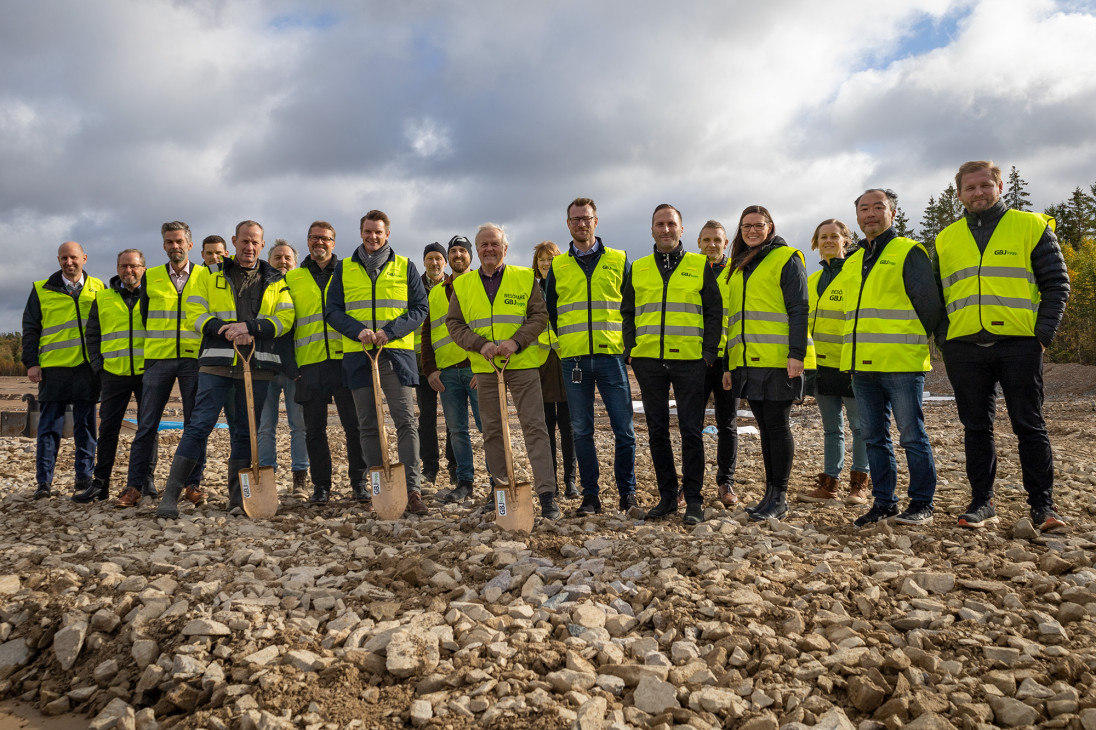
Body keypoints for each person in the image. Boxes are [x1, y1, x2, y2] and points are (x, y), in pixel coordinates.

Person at [934, 161, 1071, 531]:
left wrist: (1042, 335)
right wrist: (946, 338)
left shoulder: (1030, 227)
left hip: (1019, 345)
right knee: (976, 427)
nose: (978, 193)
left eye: (985, 185)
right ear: (959, 193)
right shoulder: (945, 238)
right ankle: (982, 502)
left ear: (999, 186)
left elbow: (1057, 284)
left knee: (1029, 424)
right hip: (965, 349)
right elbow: (937, 295)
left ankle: (1043, 506)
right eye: (970, 188)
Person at [155, 220, 295, 518]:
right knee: (198, 427)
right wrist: (224, 329)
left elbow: (286, 319)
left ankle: (237, 499)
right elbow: (194, 311)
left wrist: (252, 328)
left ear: (261, 243)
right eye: (244, 241)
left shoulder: (276, 280)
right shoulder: (210, 274)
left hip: (257, 367)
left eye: (255, 242)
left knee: (245, 433)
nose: (249, 247)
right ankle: (170, 495)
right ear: (234, 241)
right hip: (217, 364)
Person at [446, 223, 561, 520]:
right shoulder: (463, 285)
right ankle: (499, 488)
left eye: (495, 244)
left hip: (522, 365)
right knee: (493, 431)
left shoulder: (524, 277)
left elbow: (540, 316)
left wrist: (517, 341)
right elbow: (454, 324)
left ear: (505, 249)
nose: (489, 249)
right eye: (483, 244)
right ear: (477, 249)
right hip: (485, 368)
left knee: (535, 428)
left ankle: (547, 494)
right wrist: (479, 344)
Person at [843, 189, 944, 528]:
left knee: (912, 436)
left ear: (893, 214)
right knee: (874, 437)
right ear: (857, 216)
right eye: (864, 209)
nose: (870, 214)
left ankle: (922, 504)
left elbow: (928, 306)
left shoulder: (908, 252)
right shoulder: (854, 259)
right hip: (863, 366)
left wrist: (914, 344)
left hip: (901, 363)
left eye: (878, 208)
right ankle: (884, 503)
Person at [326, 210, 430, 516]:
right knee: (368, 424)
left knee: (405, 421)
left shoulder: (405, 266)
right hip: (360, 356)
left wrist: (389, 332)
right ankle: (378, 491)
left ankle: (412, 490)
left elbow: (420, 308)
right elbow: (332, 311)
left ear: (387, 235)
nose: (373, 237)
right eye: (368, 232)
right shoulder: (344, 269)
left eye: (379, 232)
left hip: (396, 355)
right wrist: (358, 331)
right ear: (361, 233)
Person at [623, 205, 722, 525]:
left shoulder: (699, 264)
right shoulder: (637, 268)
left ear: (681, 230)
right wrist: (630, 351)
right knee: (657, 431)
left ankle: (693, 499)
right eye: (659, 224)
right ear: (652, 230)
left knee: (692, 431)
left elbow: (713, 311)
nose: (665, 230)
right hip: (649, 361)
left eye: (671, 224)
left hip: (690, 362)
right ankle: (667, 497)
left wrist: (708, 353)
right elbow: (627, 312)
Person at [544, 197, 639, 516]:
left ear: (596, 222)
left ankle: (628, 494)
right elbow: (552, 310)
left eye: (586, 218)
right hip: (574, 361)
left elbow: (631, 307)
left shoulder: (618, 258)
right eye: (575, 219)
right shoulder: (559, 265)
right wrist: (567, 343)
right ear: (567, 224)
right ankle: (591, 496)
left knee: (624, 429)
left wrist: (627, 348)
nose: (581, 224)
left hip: (611, 357)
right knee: (582, 430)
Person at [720, 206, 809, 522]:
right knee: (766, 429)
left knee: (777, 426)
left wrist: (796, 354)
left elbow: (799, 309)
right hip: (747, 361)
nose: (752, 230)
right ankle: (770, 495)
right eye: (746, 226)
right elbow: (734, 321)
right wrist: (731, 366)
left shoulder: (787, 259)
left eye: (759, 225)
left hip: (777, 361)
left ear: (770, 226)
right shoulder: (740, 265)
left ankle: (780, 496)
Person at [118, 222, 208, 509]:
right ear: (164, 245)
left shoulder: (205, 276)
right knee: (146, 425)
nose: (174, 246)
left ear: (190, 245)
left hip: (194, 359)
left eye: (179, 241)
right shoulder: (152, 276)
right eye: (169, 242)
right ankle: (136, 486)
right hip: (159, 359)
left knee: (195, 424)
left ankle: (193, 485)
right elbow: (145, 315)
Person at [284, 221, 368, 505]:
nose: (319, 242)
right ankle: (321, 486)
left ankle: (359, 483)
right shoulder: (292, 278)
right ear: (307, 241)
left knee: (354, 427)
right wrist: (291, 367)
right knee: (314, 430)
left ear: (334, 242)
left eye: (325, 238)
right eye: (314, 238)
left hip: (347, 361)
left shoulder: (350, 272)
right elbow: (287, 324)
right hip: (309, 365)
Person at [21, 242, 105, 500]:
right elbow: (31, 328)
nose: (69, 262)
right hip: (53, 369)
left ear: (85, 259)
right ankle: (44, 482)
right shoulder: (41, 289)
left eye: (74, 257)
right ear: (58, 260)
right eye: (64, 258)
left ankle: (83, 477)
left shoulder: (99, 288)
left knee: (86, 426)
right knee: (49, 428)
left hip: (86, 368)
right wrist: (31, 362)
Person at [797, 219, 871, 505]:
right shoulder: (811, 281)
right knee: (831, 428)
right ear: (816, 242)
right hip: (821, 367)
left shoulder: (855, 274)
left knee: (860, 427)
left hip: (850, 364)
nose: (829, 241)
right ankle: (830, 482)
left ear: (845, 241)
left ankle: (859, 484)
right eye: (823, 237)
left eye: (834, 236)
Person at [75, 249, 158, 503]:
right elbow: (92, 336)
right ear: (118, 268)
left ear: (143, 268)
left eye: (133, 266)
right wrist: (99, 366)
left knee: (148, 429)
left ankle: (146, 482)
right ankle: (101, 484)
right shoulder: (103, 298)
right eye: (123, 266)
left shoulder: (155, 295)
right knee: (108, 430)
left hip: (148, 374)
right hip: (113, 374)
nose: (128, 271)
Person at [423, 235, 490, 503]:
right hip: (447, 372)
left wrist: (484, 366)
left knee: (488, 426)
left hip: (477, 371)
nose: (458, 255)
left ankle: (499, 479)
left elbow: (491, 326)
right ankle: (465, 481)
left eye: (463, 250)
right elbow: (427, 334)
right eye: (453, 252)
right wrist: (429, 370)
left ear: (470, 256)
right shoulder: (437, 292)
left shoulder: (482, 284)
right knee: (457, 429)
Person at [257, 240, 309, 492]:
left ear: (295, 261)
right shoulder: (260, 285)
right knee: (265, 426)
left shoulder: (301, 285)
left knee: (299, 425)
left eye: (287, 257)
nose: (283, 262)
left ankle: (300, 476)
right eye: (277, 257)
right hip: (265, 366)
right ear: (269, 260)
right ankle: (267, 477)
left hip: (295, 368)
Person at [696, 220, 739, 507]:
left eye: (717, 240)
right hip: (696, 358)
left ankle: (726, 481)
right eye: (707, 239)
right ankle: (691, 484)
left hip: (727, 358)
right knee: (691, 424)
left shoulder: (738, 271)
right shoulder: (689, 270)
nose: (712, 244)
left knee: (727, 422)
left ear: (726, 243)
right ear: (699, 242)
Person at [532, 240, 577, 499]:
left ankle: (570, 480)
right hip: (540, 364)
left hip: (566, 359)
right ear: (536, 263)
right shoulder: (531, 287)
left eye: (551, 258)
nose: (546, 263)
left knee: (569, 426)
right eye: (542, 259)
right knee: (546, 427)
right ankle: (552, 482)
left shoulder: (567, 286)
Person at [416, 242, 455, 485]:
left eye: (438, 258)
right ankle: (429, 468)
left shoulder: (454, 286)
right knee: (426, 417)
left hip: (450, 361)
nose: (434, 262)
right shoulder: (414, 287)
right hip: (422, 364)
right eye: (429, 258)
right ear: (424, 262)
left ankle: (454, 465)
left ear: (445, 262)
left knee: (454, 418)